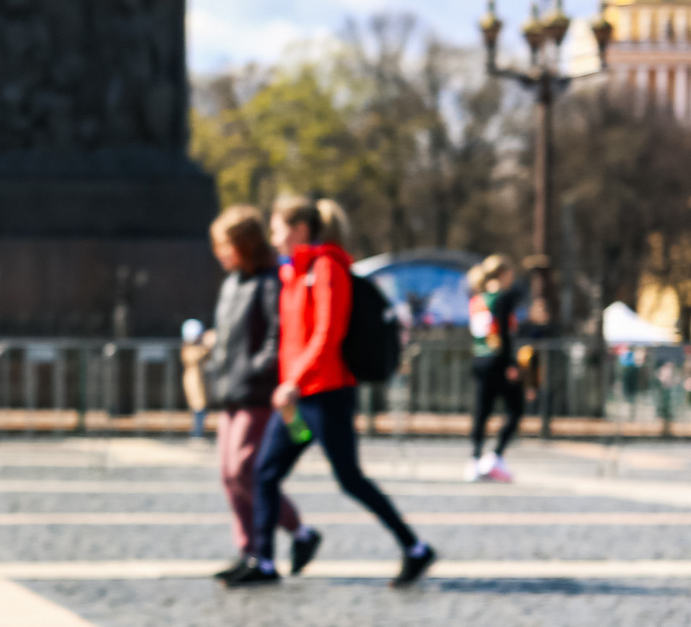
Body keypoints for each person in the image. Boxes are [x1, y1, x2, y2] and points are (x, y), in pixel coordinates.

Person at [224, 196, 436, 589]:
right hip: (297, 400)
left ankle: (415, 547)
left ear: (300, 230)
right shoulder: (293, 272)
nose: (273, 236)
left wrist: (294, 381)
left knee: (350, 479)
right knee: (265, 473)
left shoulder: (327, 268)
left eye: (278, 228)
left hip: (326, 395)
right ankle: (264, 561)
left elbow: (327, 333)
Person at [203, 206, 317, 580]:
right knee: (228, 474)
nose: (220, 254)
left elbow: (277, 336)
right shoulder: (232, 282)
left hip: (257, 393)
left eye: (226, 245)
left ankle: (299, 531)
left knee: (245, 471)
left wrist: (254, 370)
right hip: (230, 391)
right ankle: (249, 550)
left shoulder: (271, 281)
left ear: (245, 245)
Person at [467, 254, 523, 482]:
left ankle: (475, 458)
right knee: (515, 408)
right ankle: (495, 456)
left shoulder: (478, 299)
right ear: (502, 274)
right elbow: (502, 334)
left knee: (482, 411)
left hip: (480, 359)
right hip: (498, 360)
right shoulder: (502, 297)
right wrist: (510, 363)